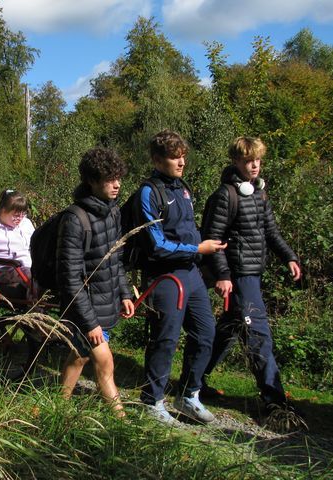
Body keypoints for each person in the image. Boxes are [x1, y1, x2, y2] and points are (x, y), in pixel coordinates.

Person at [201, 136, 302, 415]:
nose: (254, 165)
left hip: (253, 273)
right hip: (238, 275)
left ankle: (194, 379)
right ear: (236, 161)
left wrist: (289, 256)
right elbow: (213, 239)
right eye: (248, 160)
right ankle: (274, 399)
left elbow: (270, 231)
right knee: (258, 333)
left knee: (230, 330)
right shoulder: (226, 195)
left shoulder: (258, 193)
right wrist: (222, 275)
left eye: (257, 159)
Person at [138, 130, 226, 425]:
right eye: (174, 157)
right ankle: (152, 401)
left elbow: (190, 228)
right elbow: (156, 244)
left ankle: (189, 394)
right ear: (157, 160)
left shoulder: (183, 188)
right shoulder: (149, 191)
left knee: (206, 334)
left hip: (191, 273)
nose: (181, 162)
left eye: (183, 156)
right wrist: (197, 248)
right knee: (165, 339)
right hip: (164, 277)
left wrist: (207, 263)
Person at [57, 147, 135, 416]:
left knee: (79, 357)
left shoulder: (113, 212)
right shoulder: (75, 219)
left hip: (105, 303)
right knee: (105, 364)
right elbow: (69, 277)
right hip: (84, 309)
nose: (117, 184)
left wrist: (124, 293)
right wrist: (89, 322)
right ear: (91, 181)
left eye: (118, 178)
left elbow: (116, 260)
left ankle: (58, 407)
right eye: (109, 179)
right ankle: (121, 423)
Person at [0, 189, 36, 299]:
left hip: (28, 267)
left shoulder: (26, 223)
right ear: (3, 210)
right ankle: (35, 305)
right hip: (3, 271)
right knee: (32, 276)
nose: (20, 219)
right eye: (16, 215)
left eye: (23, 214)